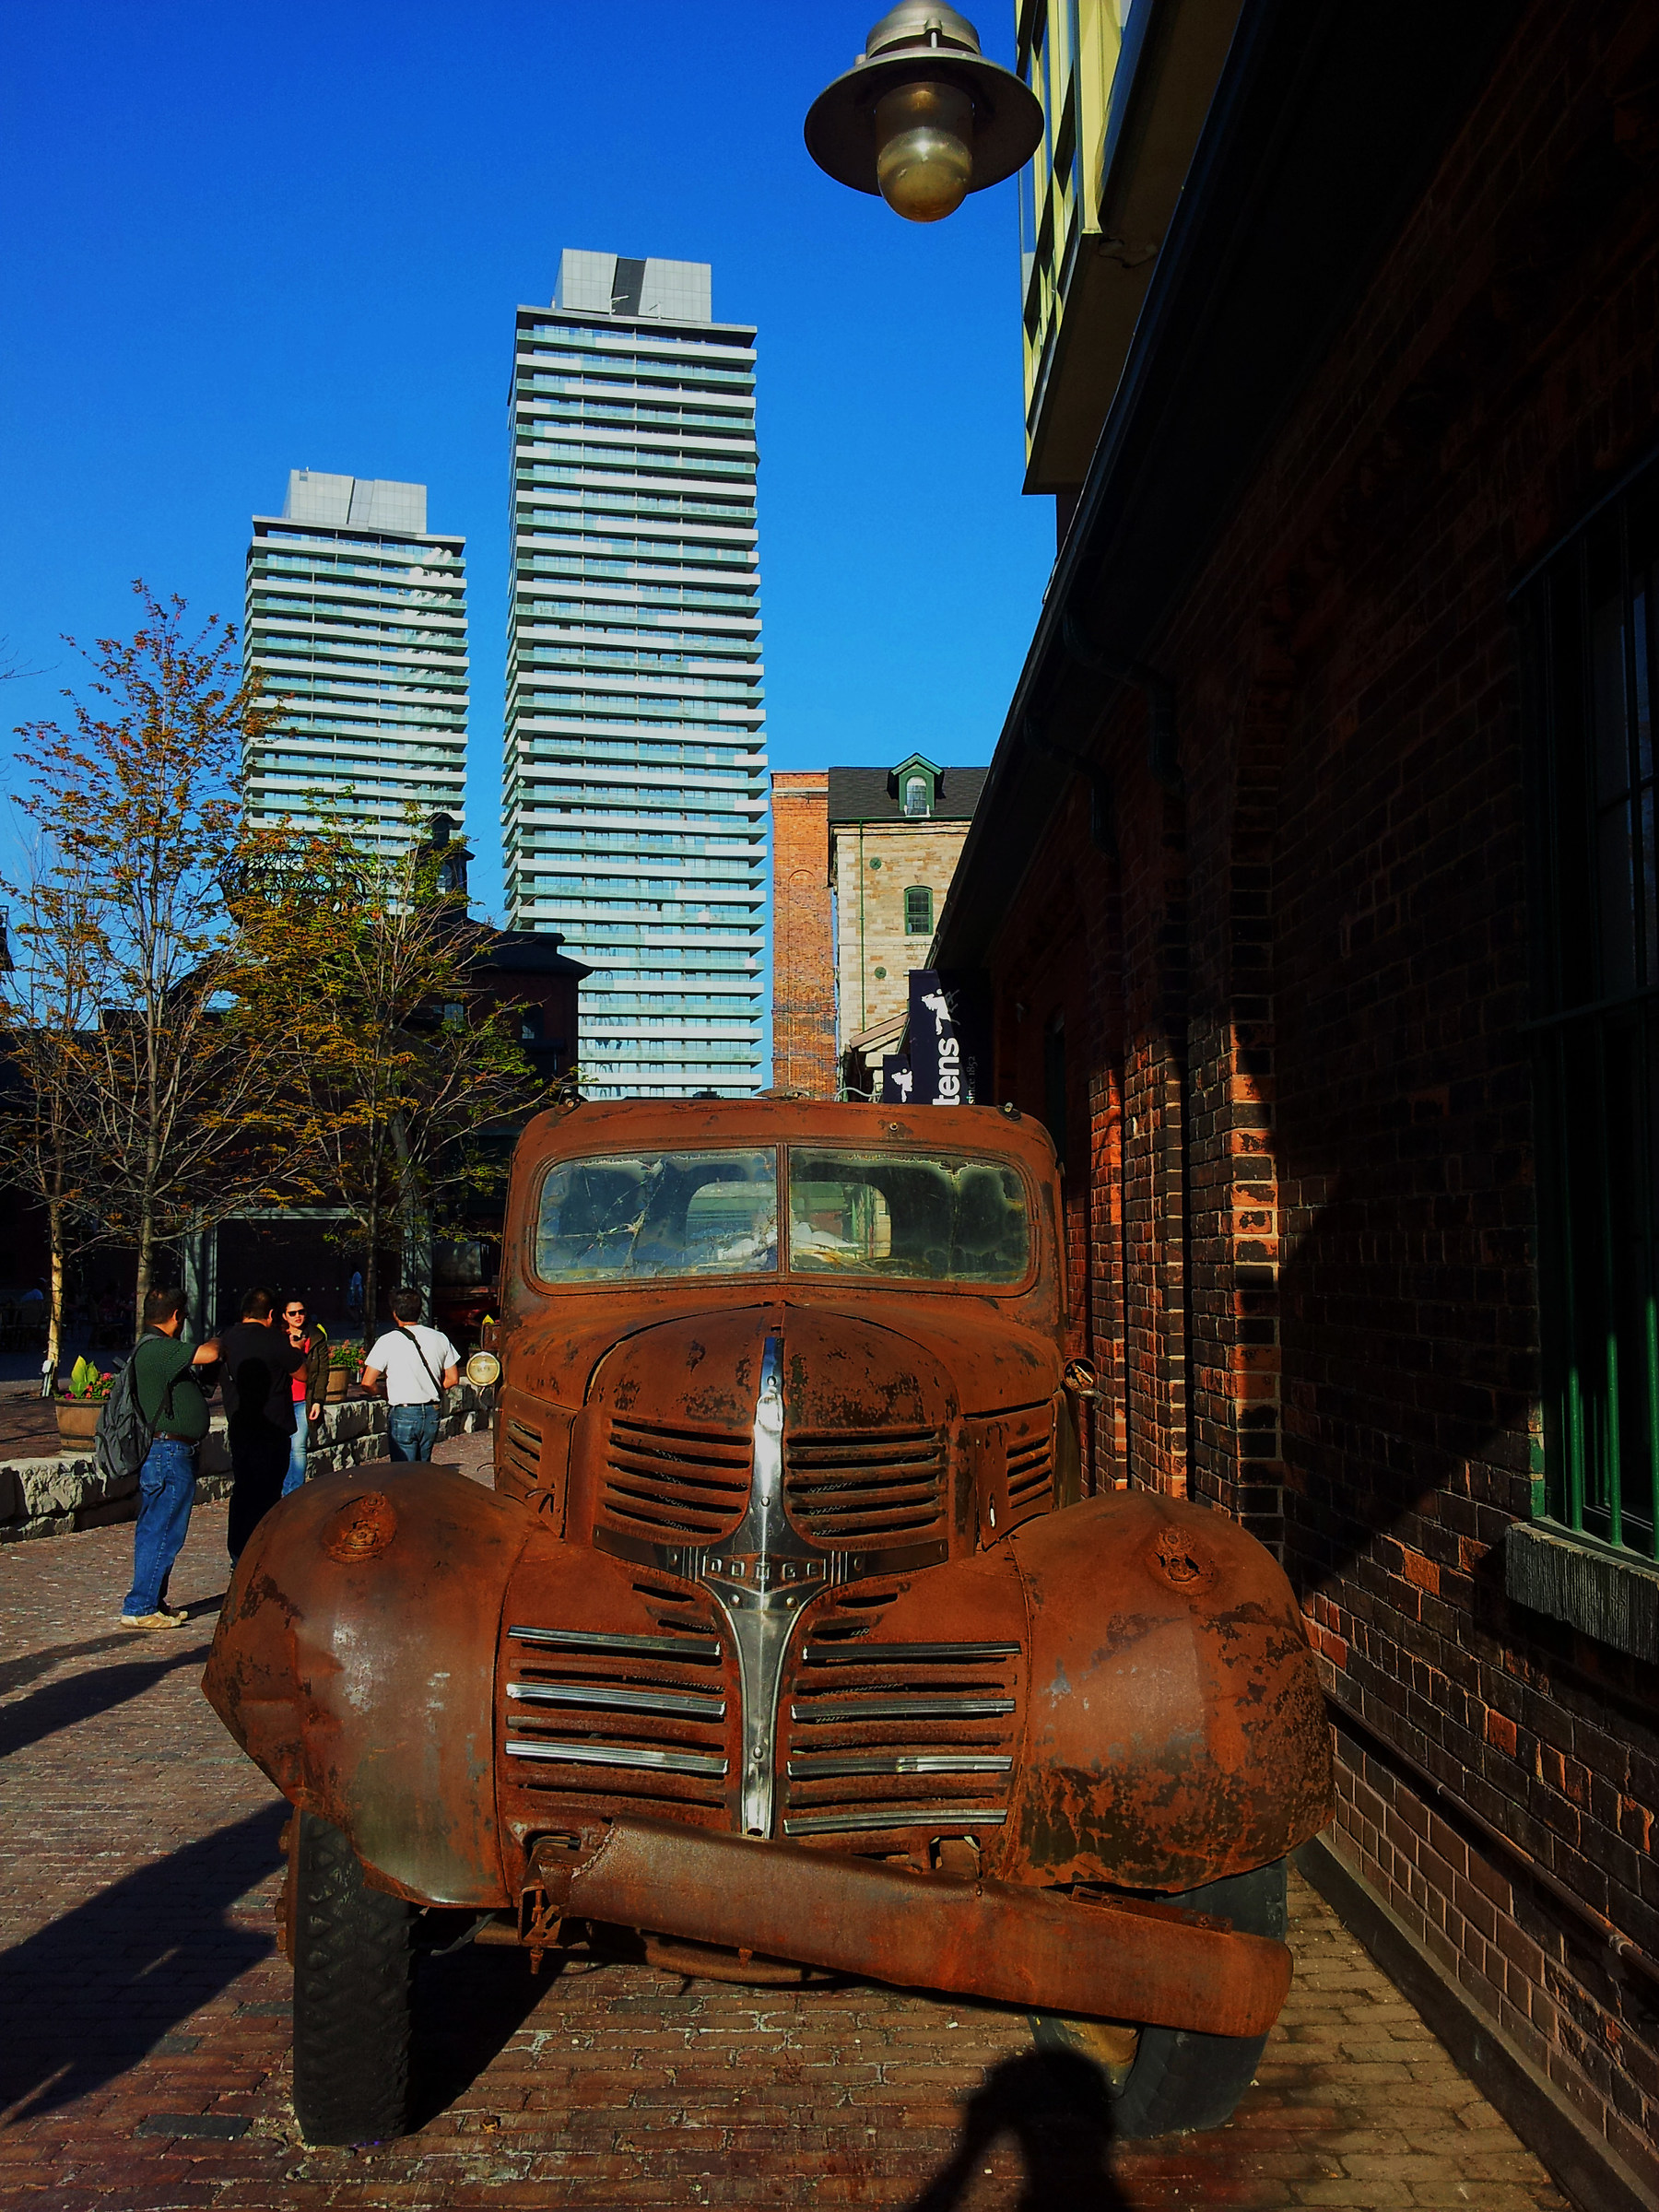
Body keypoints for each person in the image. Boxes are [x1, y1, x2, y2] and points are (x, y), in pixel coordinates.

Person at [119, 1286, 220, 1630]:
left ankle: (153, 1600)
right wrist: (224, 1342)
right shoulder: (158, 1349)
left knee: (160, 1528)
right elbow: (207, 1354)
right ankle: (141, 1606)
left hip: (170, 1452)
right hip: (168, 1453)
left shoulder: (155, 1350)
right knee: (162, 1530)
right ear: (177, 1316)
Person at [218, 1286, 305, 1560]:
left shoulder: (225, 1339)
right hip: (274, 1428)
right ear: (270, 1314)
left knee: (243, 1491)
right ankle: (264, 1551)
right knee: (268, 1494)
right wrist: (296, 1349)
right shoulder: (275, 1340)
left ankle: (238, 1553)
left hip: (241, 1426)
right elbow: (302, 1374)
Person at [361, 1289, 459, 1465]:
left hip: (404, 1411)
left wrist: (384, 1392)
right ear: (420, 1311)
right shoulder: (440, 1338)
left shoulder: (387, 1341)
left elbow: (367, 1382)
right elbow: (453, 1378)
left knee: (403, 1470)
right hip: (432, 1411)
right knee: (423, 1466)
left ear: (395, 1313)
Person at [277, 1293, 329, 1497]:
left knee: (298, 1448)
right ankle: (280, 1491)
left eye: (301, 1312)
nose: (298, 1316)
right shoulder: (277, 1338)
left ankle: (293, 1493)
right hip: (279, 1401)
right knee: (280, 1448)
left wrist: (318, 1401)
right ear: (284, 1316)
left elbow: (323, 1371)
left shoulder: (316, 1336)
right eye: (293, 1313)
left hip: (303, 1401)